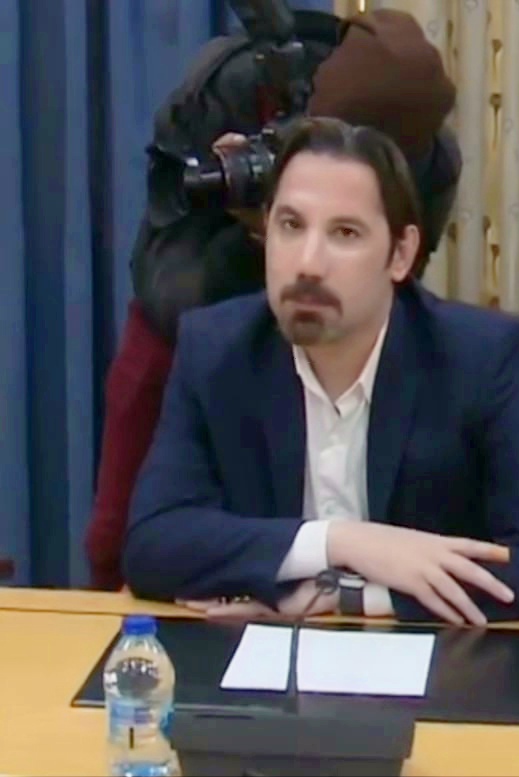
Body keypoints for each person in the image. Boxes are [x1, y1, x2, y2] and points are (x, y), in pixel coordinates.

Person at [123, 116, 519, 625]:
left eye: (345, 233)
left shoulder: (477, 358)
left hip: (438, 661)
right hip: (264, 662)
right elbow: (153, 544)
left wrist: (346, 599)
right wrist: (344, 543)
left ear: (400, 254)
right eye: (291, 226)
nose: (308, 263)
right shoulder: (216, 351)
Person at [85, 8, 461, 591]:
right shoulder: (235, 88)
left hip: (327, 341)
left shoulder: (430, 162)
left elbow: (400, 279)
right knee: (118, 540)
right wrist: (255, 230)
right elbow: (166, 265)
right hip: (182, 320)